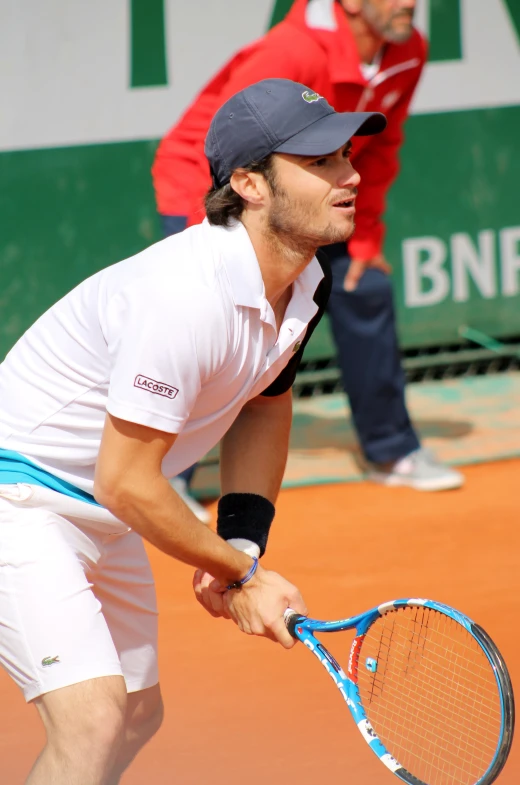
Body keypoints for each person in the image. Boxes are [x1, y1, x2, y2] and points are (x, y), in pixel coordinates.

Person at [0, 78, 386, 785]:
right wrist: (245, 576)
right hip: (18, 498)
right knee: (90, 719)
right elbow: (127, 479)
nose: (350, 175)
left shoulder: (303, 281)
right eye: (322, 161)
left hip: (101, 510)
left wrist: (240, 538)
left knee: (138, 715)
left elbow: (266, 402)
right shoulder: (183, 298)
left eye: (347, 156)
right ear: (249, 184)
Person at [152, 0, 464, 493]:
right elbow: (222, 148)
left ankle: (391, 450)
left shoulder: (408, 49)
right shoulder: (291, 51)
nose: (410, 3)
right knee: (207, 320)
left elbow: (381, 146)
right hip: (219, 185)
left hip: (314, 190)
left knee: (367, 286)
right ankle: (169, 476)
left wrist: (366, 237)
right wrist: (212, 240)